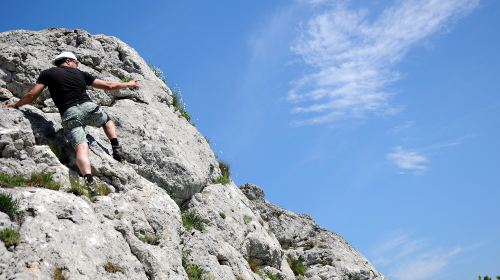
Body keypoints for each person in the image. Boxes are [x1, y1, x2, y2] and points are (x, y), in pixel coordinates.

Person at [4, 51, 139, 192]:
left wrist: (16, 104)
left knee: (81, 147)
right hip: (88, 107)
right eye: (76, 62)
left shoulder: (48, 73)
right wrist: (128, 83)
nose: (77, 64)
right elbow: (109, 86)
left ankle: (89, 181)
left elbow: (32, 95)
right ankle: (115, 147)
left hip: (69, 113)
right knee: (107, 121)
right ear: (68, 61)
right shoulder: (81, 74)